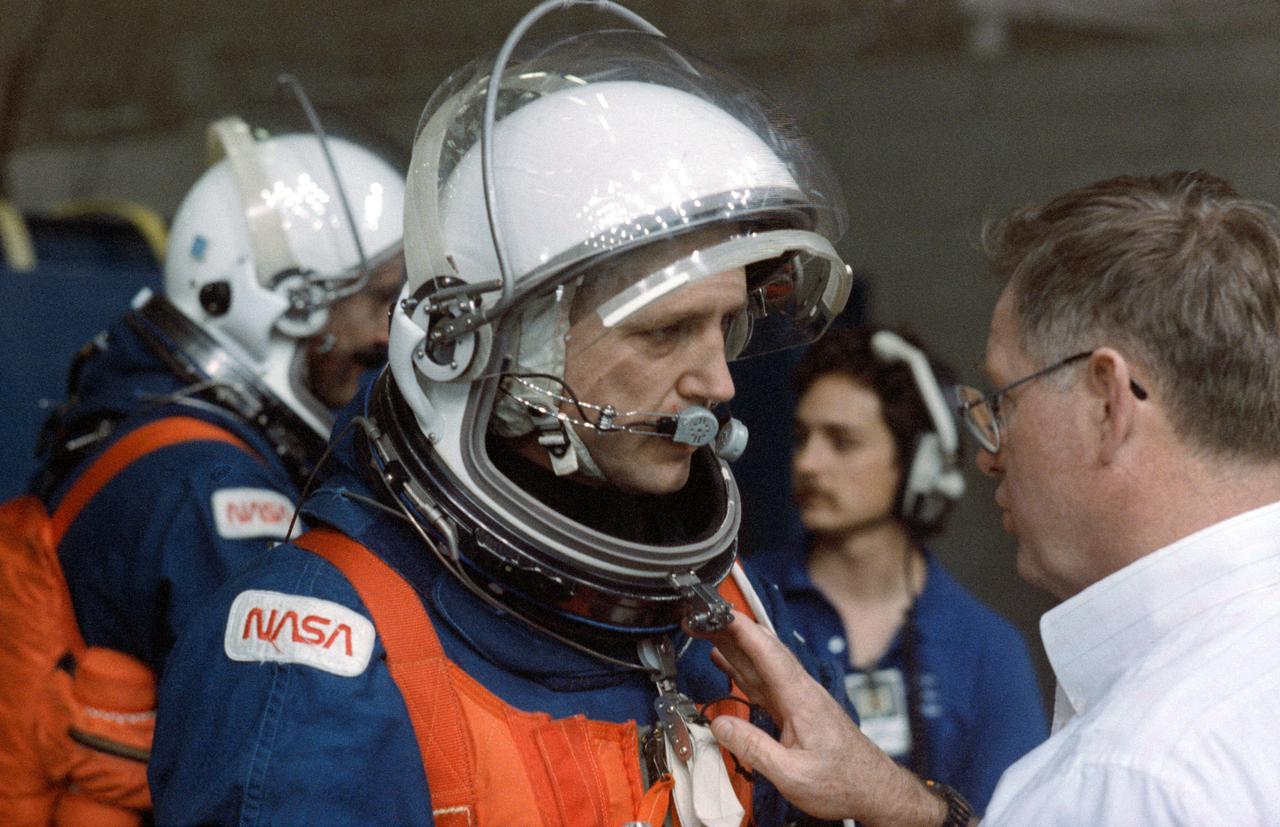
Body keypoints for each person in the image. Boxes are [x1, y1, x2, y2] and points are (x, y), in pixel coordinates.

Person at [148, 7, 861, 825]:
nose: (719, 381)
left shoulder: (735, 613)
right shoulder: (322, 657)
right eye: (666, 330)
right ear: (500, 348)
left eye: (724, 326)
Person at [692, 169, 1280, 826]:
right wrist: (908, 805)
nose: (988, 454)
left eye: (1005, 401)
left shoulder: (1125, 780)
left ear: (1108, 403)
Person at [29, 115, 405, 675]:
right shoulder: (213, 491)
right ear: (283, 302)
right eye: (377, 302)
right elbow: (272, 720)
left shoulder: (132, 401)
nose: (384, 334)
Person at [759, 324, 1044, 812]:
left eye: (842, 442)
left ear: (920, 465)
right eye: (802, 437)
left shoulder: (986, 652)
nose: (808, 463)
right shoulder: (742, 602)